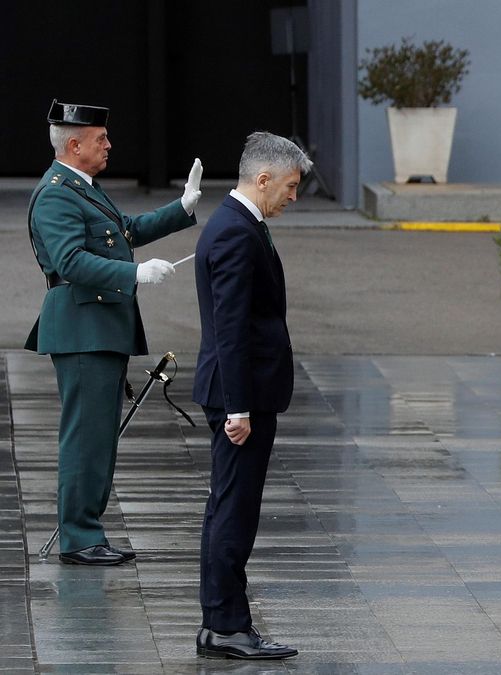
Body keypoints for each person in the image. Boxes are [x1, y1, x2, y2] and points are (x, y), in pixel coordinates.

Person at [27, 100, 202, 566]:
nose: (109, 144)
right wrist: (134, 274)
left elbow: (123, 231)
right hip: (83, 326)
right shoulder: (56, 194)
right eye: (100, 138)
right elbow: (69, 261)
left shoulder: (83, 187)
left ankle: (86, 531)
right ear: (74, 144)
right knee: (87, 435)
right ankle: (80, 537)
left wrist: (181, 208)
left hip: (99, 324)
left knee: (98, 434)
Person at [192, 132, 311, 660]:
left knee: (230, 508)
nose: (293, 196)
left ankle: (222, 621)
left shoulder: (239, 224)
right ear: (262, 179)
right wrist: (239, 407)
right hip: (240, 397)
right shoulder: (236, 233)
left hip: (243, 391)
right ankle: (226, 626)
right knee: (233, 512)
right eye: (289, 186)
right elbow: (232, 327)